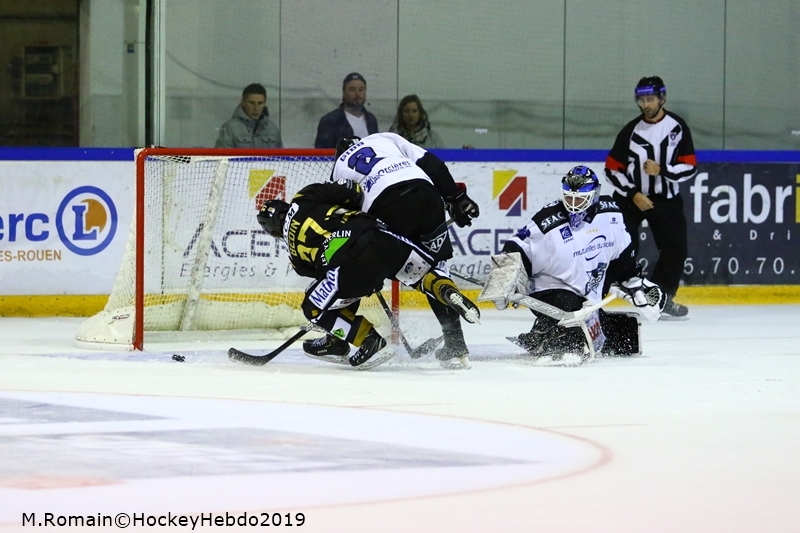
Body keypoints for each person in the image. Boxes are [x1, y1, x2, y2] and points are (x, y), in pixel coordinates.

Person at [256, 181, 480, 369]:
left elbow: (325, 278)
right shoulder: (305, 195)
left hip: (353, 269)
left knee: (313, 307)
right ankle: (445, 289)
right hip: (377, 235)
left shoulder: (294, 255)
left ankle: (367, 339)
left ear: (274, 231)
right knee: (423, 275)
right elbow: (353, 192)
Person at [328, 132, 481, 369]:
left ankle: (339, 339)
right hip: (426, 194)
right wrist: (456, 198)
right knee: (437, 268)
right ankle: (455, 344)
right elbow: (432, 164)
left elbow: (345, 216)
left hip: (385, 206)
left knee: (358, 268)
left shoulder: (338, 168)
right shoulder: (384, 138)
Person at [494, 165, 666, 359]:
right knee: (573, 330)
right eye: (569, 198)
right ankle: (553, 336)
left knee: (620, 337)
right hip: (549, 289)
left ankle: (544, 332)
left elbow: (623, 255)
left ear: (594, 195)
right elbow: (517, 244)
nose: (573, 205)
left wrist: (635, 283)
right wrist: (504, 278)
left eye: (580, 199)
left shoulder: (611, 215)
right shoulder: (547, 220)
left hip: (585, 298)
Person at [604, 76, 697, 319]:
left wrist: (662, 170)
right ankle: (600, 295)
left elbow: (690, 166)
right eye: (642, 100)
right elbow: (611, 169)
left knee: (675, 250)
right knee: (619, 246)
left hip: (665, 199)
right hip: (631, 199)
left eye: (650, 99)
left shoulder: (677, 127)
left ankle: (660, 298)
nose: (646, 104)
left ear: (662, 99)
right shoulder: (630, 131)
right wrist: (633, 194)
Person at [313, 73, 379, 149]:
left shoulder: (371, 120)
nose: (357, 94)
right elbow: (322, 152)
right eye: (352, 89)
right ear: (344, 92)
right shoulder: (330, 121)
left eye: (361, 89)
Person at [215, 83, 283, 148]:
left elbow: (281, 155)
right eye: (251, 103)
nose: (256, 108)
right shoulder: (230, 128)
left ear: (265, 103)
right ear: (243, 102)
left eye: (260, 103)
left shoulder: (272, 128)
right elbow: (223, 155)